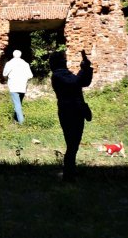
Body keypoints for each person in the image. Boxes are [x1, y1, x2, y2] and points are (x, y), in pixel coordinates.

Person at [50, 50, 93, 180]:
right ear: (59, 62)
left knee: (74, 143)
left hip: (76, 110)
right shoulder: (57, 75)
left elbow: (84, 82)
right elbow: (75, 83)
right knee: (72, 144)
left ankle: (70, 172)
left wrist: (86, 68)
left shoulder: (65, 74)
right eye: (63, 60)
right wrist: (83, 69)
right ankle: (69, 174)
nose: (65, 61)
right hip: (68, 111)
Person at [3, 49, 33, 124]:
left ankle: (21, 122)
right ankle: (16, 118)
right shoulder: (25, 64)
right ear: (20, 55)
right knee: (19, 103)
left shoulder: (9, 63)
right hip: (23, 86)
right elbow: (30, 75)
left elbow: (4, 74)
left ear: (13, 55)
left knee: (17, 103)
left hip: (13, 85)